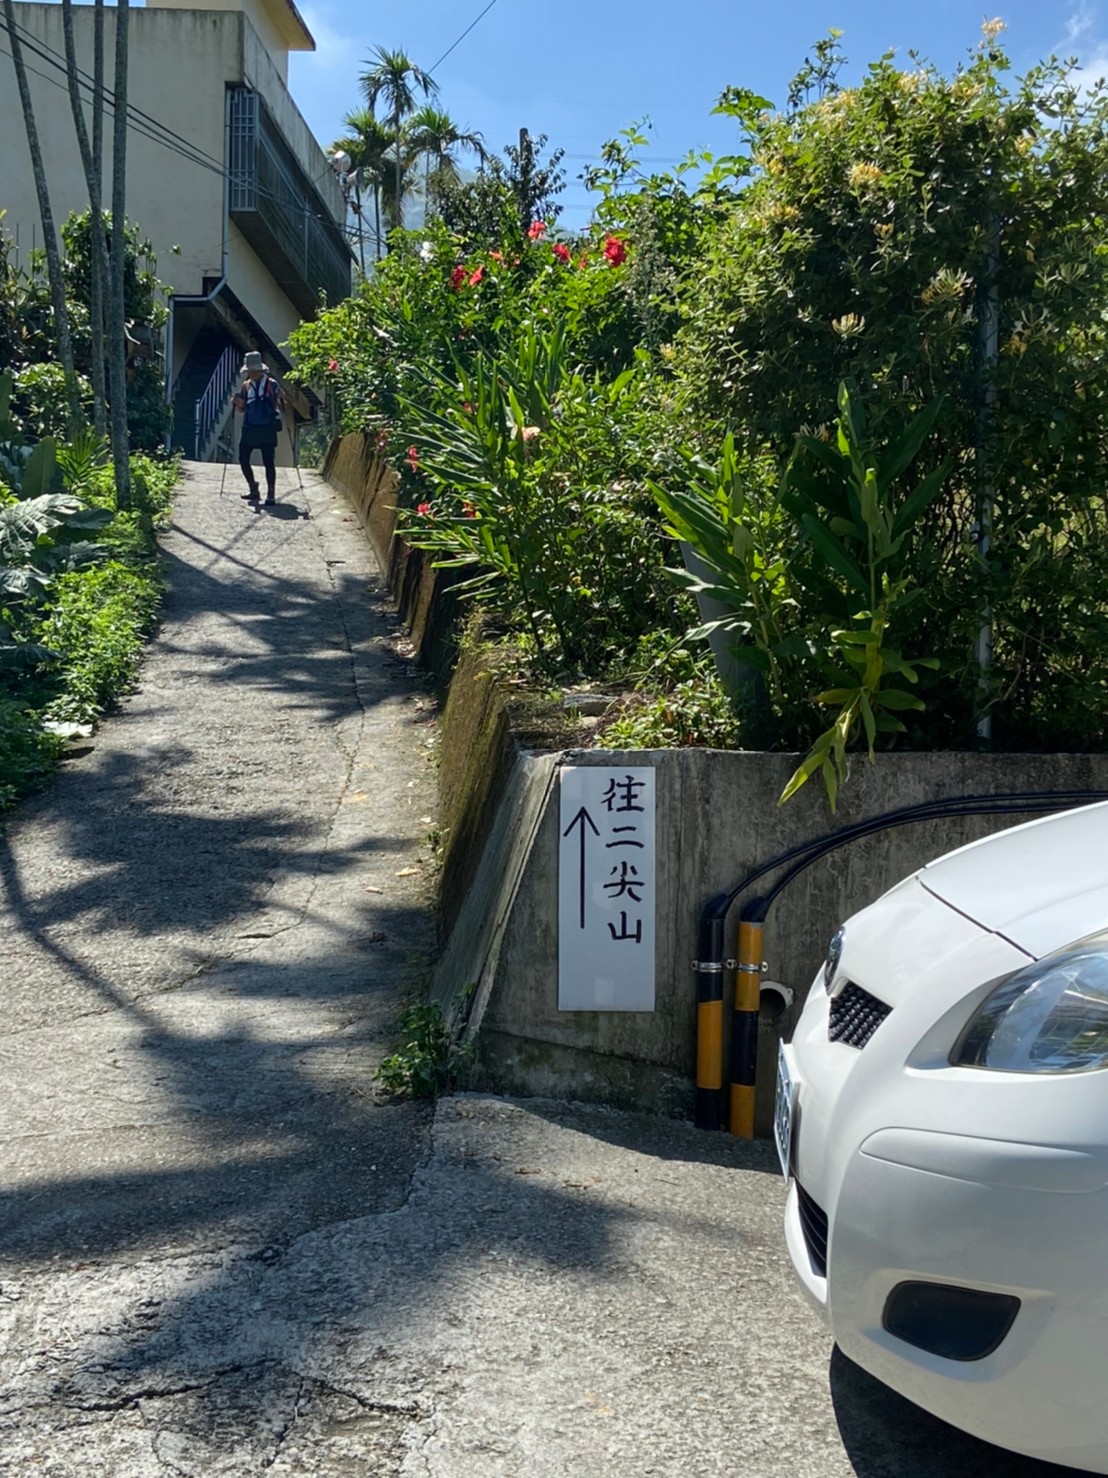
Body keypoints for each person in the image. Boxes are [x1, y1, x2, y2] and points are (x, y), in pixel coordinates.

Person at [233, 351, 284, 505]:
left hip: (267, 427)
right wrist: (236, 402)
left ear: (260, 370)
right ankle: (253, 488)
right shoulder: (246, 386)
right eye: (250, 371)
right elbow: (242, 410)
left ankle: (271, 493)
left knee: (268, 461)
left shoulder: (272, 384)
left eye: (253, 370)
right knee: (243, 458)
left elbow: (280, 403)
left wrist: (281, 397)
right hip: (250, 427)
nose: (252, 373)